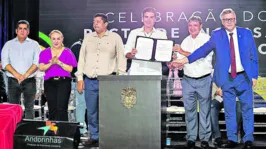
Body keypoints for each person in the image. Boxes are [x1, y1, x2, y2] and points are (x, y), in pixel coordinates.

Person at [174, 8, 259, 149]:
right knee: (229, 110)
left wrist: (254, 76)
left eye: (231, 19)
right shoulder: (216, 35)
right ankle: (232, 139)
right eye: (226, 19)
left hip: (244, 77)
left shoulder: (246, 33)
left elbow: (253, 56)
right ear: (222, 21)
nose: (229, 22)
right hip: (226, 78)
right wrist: (185, 60)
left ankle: (248, 139)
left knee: (247, 108)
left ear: (235, 19)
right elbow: (202, 51)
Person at [75, 13, 127, 147]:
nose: (95, 24)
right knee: (91, 111)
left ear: (105, 24)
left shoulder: (115, 38)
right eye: (94, 21)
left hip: (108, 81)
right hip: (89, 80)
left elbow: (121, 58)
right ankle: (94, 136)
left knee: (107, 110)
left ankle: (108, 135)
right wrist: (80, 78)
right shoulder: (88, 38)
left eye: (98, 21)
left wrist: (120, 78)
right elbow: (82, 59)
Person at [172, 16, 213, 149]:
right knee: (189, 110)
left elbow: (199, 55)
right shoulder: (185, 41)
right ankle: (191, 138)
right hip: (188, 80)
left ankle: (205, 139)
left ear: (201, 26)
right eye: (190, 25)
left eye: (195, 25)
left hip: (204, 79)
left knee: (205, 111)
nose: (192, 28)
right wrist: (175, 63)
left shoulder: (207, 39)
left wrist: (181, 51)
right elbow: (181, 61)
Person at [1, 20, 40, 119]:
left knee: (29, 108)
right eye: (20, 29)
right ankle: (14, 132)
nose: (22, 31)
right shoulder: (8, 44)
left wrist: (25, 75)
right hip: (13, 81)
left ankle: (28, 133)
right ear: (16, 31)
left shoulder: (34, 44)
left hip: (30, 81)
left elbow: (37, 63)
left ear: (28, 31)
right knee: (13, 108)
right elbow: (5, 63)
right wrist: (18, 75)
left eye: (25, 29)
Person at [39, 30, 77, 121]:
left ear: (62, 39)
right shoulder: (44, 52)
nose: (56, 41)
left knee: (62, 109)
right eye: (54, 39)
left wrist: (59, 62)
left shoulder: (68, 52)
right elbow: (41, 67)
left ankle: (62, 132)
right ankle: (52, 132)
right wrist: (51, 63)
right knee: (52, 109)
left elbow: (70, 69)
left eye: (58, 39)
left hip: (64, 82)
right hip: (49, 82)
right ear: (50, 39)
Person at [124, 7, 169, 75]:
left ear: (155, 19)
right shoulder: (134, 33)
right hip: (136, 72)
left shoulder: (161, 35)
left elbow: (165, 54)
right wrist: (131, 54)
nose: (148, 20)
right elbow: (126, 53)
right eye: (146, 17)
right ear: (142, 19)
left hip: (155, 72)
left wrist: (169, 55)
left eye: (151, 17)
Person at [211, 74, 242, 147]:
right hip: (220, 98)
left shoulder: (239, 69)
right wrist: (217, 91)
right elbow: (214, 84)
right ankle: (217, 137)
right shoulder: (219, 69)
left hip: (234, 98)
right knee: (212, 107)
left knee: (239, 109)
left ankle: (233, 137)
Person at [70, 39, 88, 136]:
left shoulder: (78, 46)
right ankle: (80, 129)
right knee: (80, 104)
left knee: (81, 105)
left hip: (85, 80)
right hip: (77, 80)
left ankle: (80, 128)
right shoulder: (77, 47)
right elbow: (77, 66)